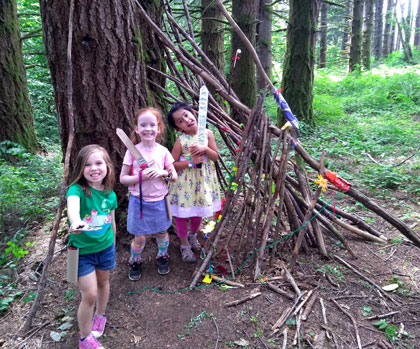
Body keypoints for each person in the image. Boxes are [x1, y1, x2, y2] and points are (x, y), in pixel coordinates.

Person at [66, 144, 117, 349]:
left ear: (107, 166)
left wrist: (113, 240)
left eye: (98, 163)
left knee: (103, 282)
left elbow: (111, 221)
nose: (94, 168)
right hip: (82, 252)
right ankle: (85, 338)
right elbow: (73, 207)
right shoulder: (77, 189)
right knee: (89, 293)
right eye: (87, 164)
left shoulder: (110, 194)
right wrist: (75, 221)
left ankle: (100, 315)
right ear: (80, 168)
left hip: (105, 247)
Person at [120, 107, 177, 281]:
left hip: (160, 201)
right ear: (137, 128)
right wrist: (140, 176)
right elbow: (123, 178)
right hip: (139, 202)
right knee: (139, 236)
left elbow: (173, 176)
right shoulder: (132, 151)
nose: (148, 129)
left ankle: (162, 256)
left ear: (159, 128)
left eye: (152, 124)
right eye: (143, 125)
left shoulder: (163, 151)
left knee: (162, 232)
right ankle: (135, 260)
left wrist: (163, 172)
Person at [167, 102, 221, 263]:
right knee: (182, 215)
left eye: (186, 115)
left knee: (198, 211)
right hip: (184, 185)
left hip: (203, 183)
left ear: (192, 112)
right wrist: (190, 162)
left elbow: (215, 156)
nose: (186, 120)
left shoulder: (207, 134)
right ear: (178, 128)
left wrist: (205, 149)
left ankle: (192, 236)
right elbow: (171, 165)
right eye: (180, 121)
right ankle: (184, 244)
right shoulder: (181, 140)